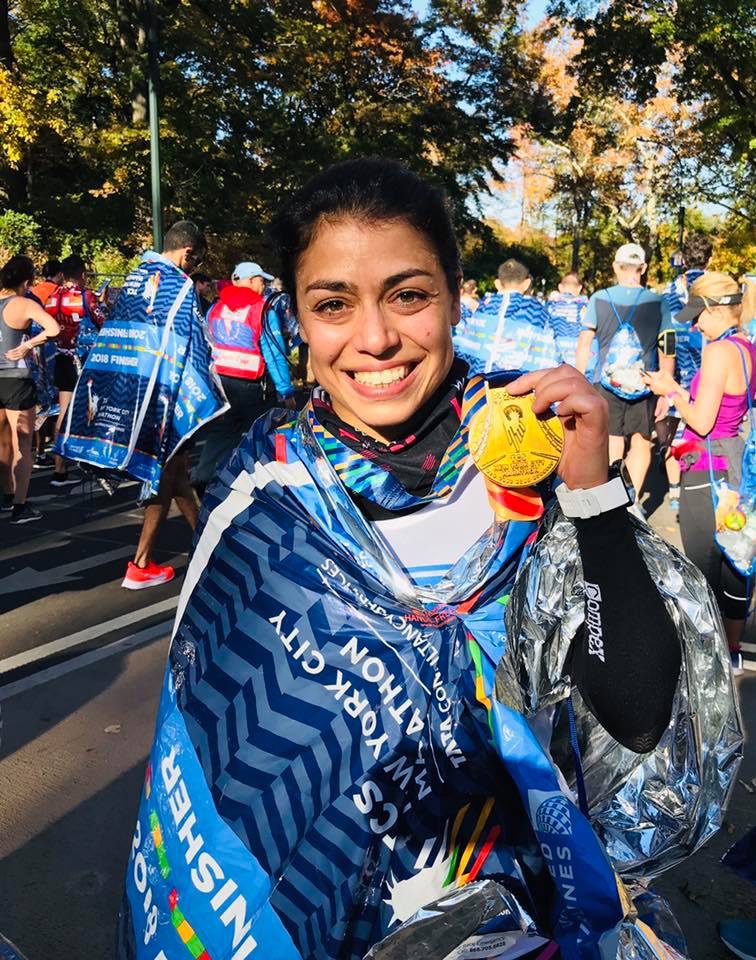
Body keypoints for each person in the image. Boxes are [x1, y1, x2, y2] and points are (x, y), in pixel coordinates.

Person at [116, 159, 738, 960]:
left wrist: (592, 501)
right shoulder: (261, 478)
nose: (374, 339)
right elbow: (203, 731)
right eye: (332, 304)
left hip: (486, 918)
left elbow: (638, 711)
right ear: (298, 318)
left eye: (408, 295)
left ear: (454, 295)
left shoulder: (531, 459)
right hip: (274, 910)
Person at [644, 272, 756, 674]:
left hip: (707, 468)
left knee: (703, 562)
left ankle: (708, 659)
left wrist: (668, 388)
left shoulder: (718, 351)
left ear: (716, 309)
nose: (694, 325)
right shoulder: (746, 345)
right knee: (738, 558)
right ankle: (732, 648)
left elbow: (703, 421)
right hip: (736, 462)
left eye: (698, 316)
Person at [576, 243, 674, 501]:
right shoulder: (659, 302)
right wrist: (667, 391)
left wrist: (580, 379)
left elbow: (585, 342)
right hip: (646, 383)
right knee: (642, 440)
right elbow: (668, 348)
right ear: (643, 268)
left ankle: (614, 500)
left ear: (616, 267)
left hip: (606, 382)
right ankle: (635, 500)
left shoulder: (599, 298)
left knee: (613, 439)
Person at [191, 261, 296, 495]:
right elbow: (274, 353)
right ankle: (263, 486)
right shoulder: (261, 309)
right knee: (260, 432)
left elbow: (205, 345)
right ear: (249, 281)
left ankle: (203, 474)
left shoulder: (216, 308)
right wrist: (286, 390)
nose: (264, 285)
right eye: (261, 280)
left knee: (223, 431)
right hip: (250, 384)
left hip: (220, 381)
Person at [0, 255, 60, 523]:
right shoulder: (22, 303)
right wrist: (28, 344)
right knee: (22, 441)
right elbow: (53, 328)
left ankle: (6, 495)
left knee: (2, 440)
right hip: (17, 379)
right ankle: (20, 506)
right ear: (27, 281)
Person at [661, 234, 712, 509]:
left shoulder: (670, 290)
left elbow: (666, 331)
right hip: (705, 374)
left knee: (672, 433)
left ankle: (674, 493)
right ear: (711, 258)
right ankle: (695, 487)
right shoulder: (714, 288)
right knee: (700, 433)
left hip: (674, 368)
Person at [49, 254, 106, 487]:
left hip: (62, 357)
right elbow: (103, 321)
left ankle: (58, 468)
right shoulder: (86, 296)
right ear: (82, 275)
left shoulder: (53, 296)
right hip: (85, 361)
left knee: (63, 412)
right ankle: (92, 463)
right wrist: (102, 303)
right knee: (92, 410)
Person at [454, 258, 556, 373]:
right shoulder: (537, 312)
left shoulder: (483, 308)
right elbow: (547, 356)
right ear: (527, 283)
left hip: (477, 384)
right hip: (516, 385)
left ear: (497, 283)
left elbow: (465, 349)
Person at [546, 272, 591, 369]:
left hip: (552, 357)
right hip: (576, 359)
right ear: (579, 288)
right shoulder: (587, 308)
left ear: (560, 287)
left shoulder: (549, 306)